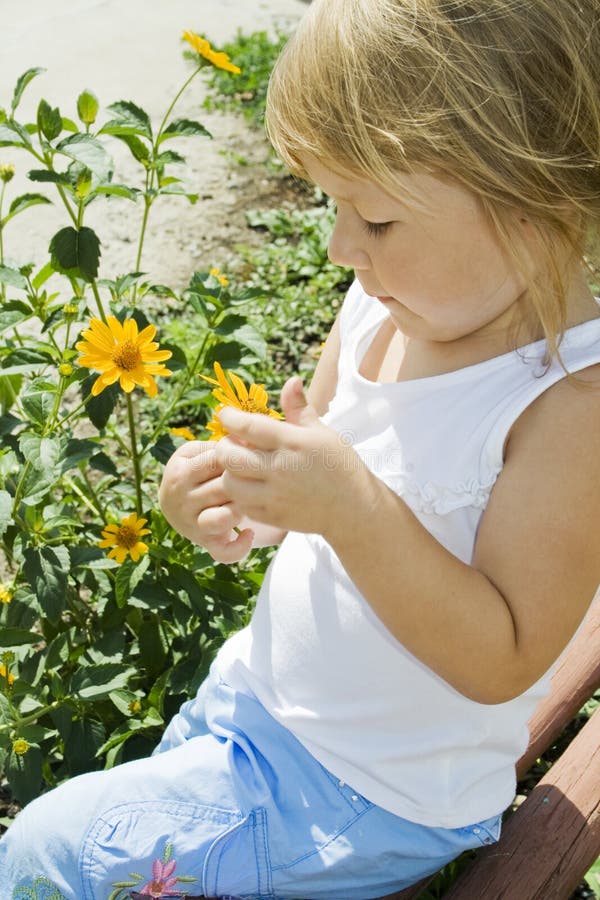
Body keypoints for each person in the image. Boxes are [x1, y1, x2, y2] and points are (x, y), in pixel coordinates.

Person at [3, 0, 600, 897]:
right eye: (331, 205)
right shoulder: (382, 304)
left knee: (50, 853)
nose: (338, 246)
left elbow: (504, 658)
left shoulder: (567, 402)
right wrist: (232, 499)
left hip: (371, 793)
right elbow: (305, 481)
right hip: (254, 705)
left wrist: (354, 509)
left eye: (375, 219)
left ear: (530, 196)